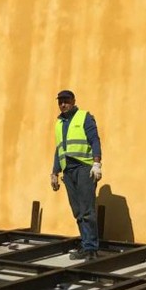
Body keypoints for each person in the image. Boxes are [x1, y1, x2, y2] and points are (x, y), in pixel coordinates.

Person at [50, 89, 102, 260]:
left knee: (87, 209)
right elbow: (59, 149)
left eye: (66, 101)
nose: (63, 104)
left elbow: (95, 139)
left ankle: (91, 248)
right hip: (69, 170)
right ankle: (85, 243)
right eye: (60, 102)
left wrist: (96, 163)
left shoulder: (84, 117)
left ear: (73, 101)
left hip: (84, 168)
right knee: (77, 211)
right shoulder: (59, 123)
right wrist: (54, 172)